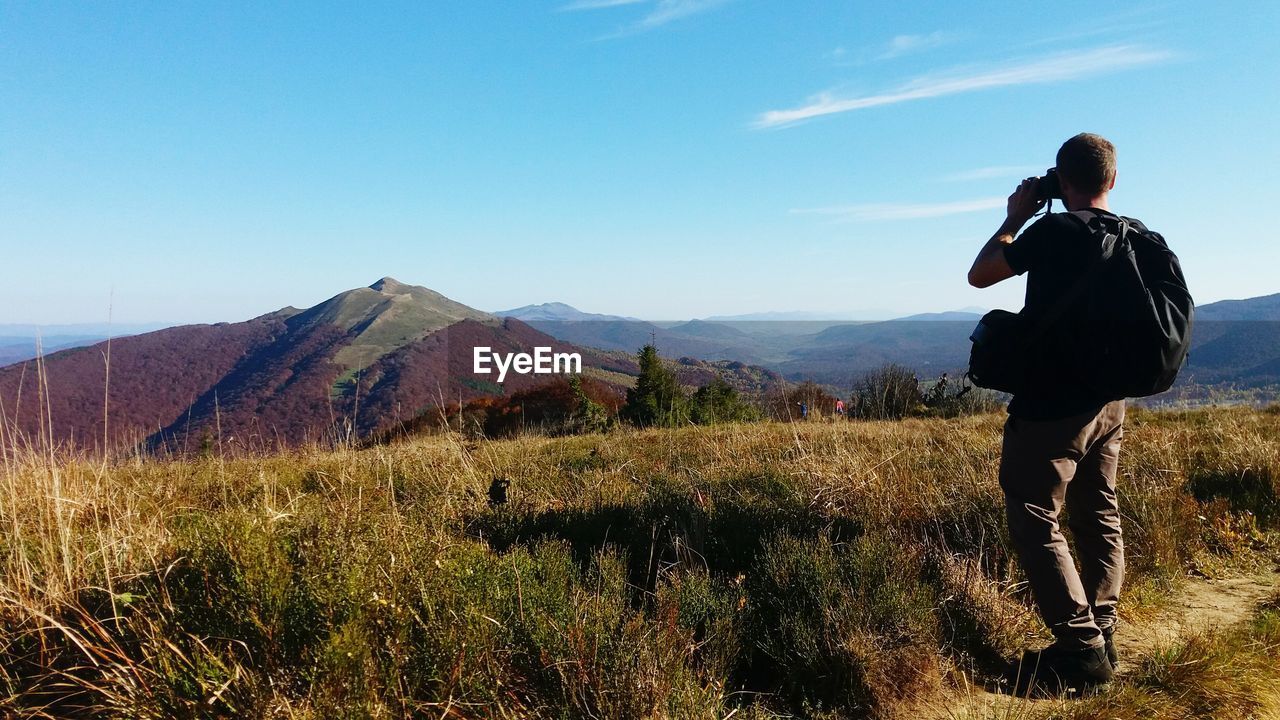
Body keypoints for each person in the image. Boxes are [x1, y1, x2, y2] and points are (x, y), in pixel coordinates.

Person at [966, 133, 1141, 693]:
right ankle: (1103, 630)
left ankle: (1081, 653)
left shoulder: (1052, 230)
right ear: (1111, 180)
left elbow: (982, 272)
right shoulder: (1136, 238)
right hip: (1110, 403)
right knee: (1099, 513)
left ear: (1061, 182)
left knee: (1034, 515)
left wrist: (1014, 215)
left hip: (1052, 406)